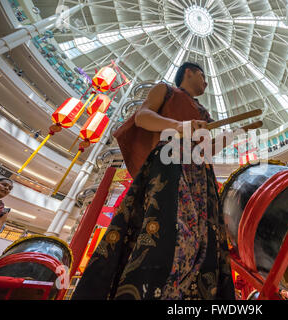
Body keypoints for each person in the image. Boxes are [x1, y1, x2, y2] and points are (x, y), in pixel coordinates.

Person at [72, 62, 236, 300]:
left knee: (202, 236)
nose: (206, 82)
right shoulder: (165, 90)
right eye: (202, 75)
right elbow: (143, 117)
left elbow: (204, 149)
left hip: (199, 174)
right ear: (187, 72)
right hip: (169, 159)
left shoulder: (203, 112)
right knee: (165, 225)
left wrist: (226, 139)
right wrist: (180, 126)